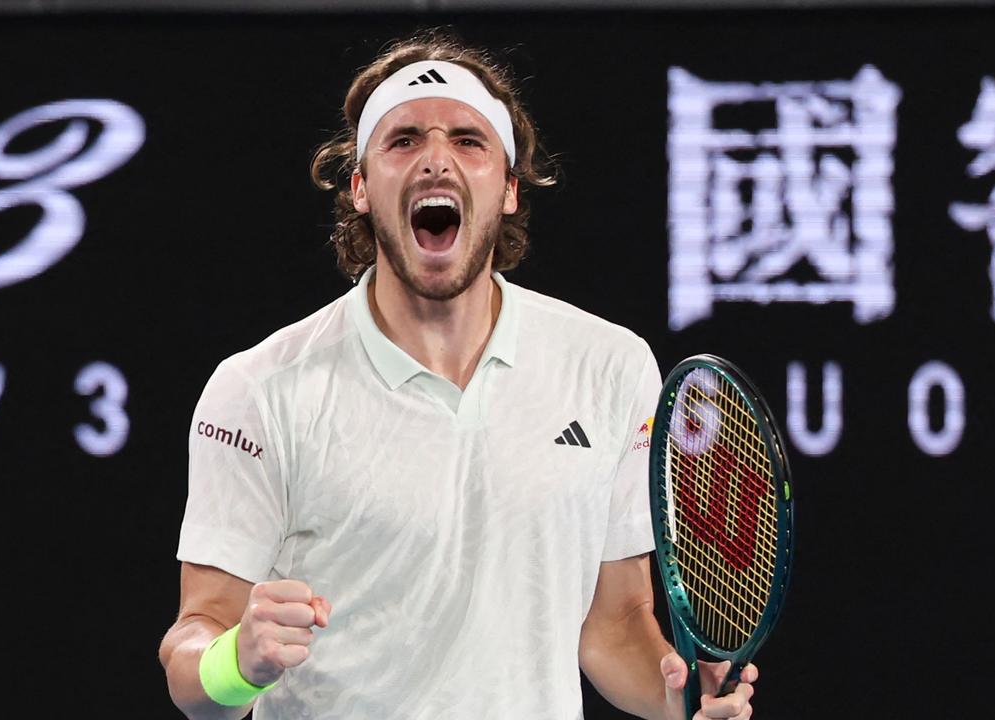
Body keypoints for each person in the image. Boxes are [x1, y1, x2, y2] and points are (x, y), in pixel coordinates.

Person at [158, 31, 758, 720]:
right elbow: (191, 658)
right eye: (404, 139)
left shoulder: (610, 364)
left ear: (506, 189)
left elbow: (614, 624)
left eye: (469, 142)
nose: (436, 161)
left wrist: (684, 697)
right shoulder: (258, 389)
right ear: (360, 187)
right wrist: (239, 660)